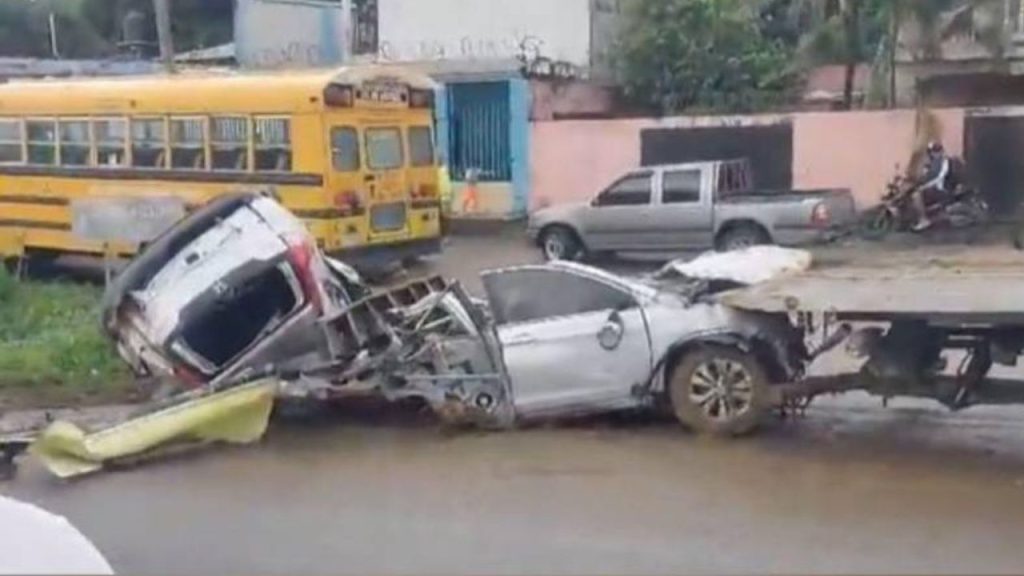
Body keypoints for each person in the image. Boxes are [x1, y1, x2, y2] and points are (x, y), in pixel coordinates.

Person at [911, 141, 953, 231]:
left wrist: (925, 186)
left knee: (916, 196)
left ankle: (923, 219)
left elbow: (939, 177)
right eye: (932, 151)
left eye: (936, 151)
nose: (934, 153)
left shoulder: (945, 162)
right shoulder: (931, 163)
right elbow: (924, 176)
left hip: (941, 188)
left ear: (941, 151)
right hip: (932, 188)